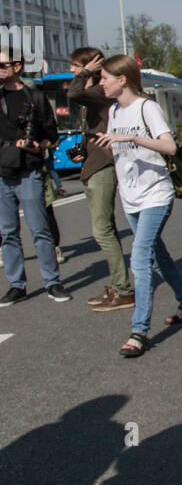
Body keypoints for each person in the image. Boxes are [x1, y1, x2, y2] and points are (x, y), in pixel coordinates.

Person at [93, 56, 182, 356]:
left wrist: (131, 137)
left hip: (156, 193)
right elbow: (119, 150)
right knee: (157, 254)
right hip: (131, 197)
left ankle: (139, 330)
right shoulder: (114, 111)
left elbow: (169, 146)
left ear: (122, 79)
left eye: (105, 78)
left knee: (139, 256)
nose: (101, 83)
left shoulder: (145, 107)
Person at [0, 48, 71, 304]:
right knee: (8, 232)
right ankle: (16, 284)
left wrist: (37, 145)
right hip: (1, 174)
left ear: (17, 66)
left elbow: (52, 135)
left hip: (29, 170)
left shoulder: (35, 97)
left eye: (2, 66)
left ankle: (53, 282)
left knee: (40, 230)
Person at [67, 46, 135, 310]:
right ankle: (118, 285)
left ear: (93, 67)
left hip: (102, 166)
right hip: (93, 163)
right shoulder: (95, 94)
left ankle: (123, 289)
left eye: (75, 66)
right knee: (104, 228)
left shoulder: (97, 92)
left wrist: (86, 73)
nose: (72, 71)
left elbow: (73, 93)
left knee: (102, 230)